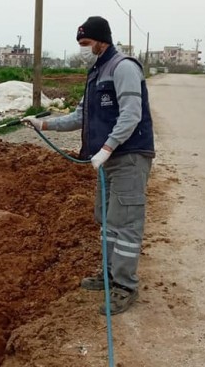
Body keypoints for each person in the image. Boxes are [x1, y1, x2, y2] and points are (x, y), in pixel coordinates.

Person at [23, 16, 155, 315]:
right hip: (108, 160)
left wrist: (107, 148)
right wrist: (43, 123)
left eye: (85, 44)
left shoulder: (123, 68)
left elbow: (132, 114)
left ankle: (125, 286)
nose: (82, 50)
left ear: (101, 41)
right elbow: (79, 117)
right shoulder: (96, 72)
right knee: (108, 219)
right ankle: (109, 275)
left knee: (127, 222)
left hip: (129, 156)